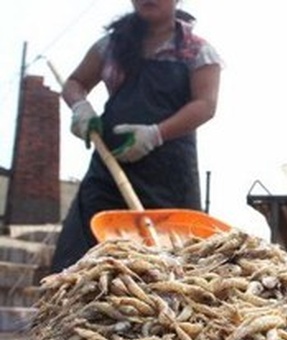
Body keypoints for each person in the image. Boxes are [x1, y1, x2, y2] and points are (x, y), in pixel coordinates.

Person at [51, 0, 221, 272]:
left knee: (173, 268)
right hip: (109, 171)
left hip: (170, 179)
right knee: (80, 262)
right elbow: (75, 82)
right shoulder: (110, 46)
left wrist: (155, 134)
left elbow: (205, 104)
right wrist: (80, 107)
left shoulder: (198, 51)